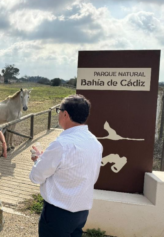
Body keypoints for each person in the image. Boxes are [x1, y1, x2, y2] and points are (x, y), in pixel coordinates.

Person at [29, 94, 103, 237]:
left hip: (58, 213)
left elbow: (36, 177)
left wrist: (39, 160)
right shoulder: (95, 142)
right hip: (81, 212)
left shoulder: (61, 144)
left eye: (59, 111)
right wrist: (46, 159)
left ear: (65, 114)